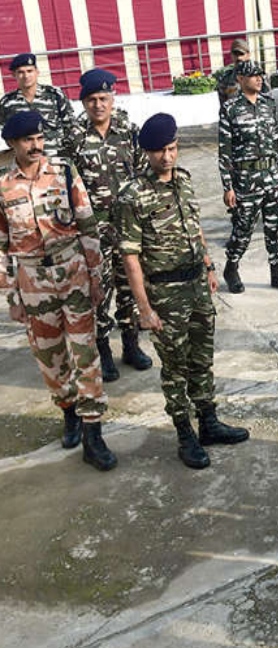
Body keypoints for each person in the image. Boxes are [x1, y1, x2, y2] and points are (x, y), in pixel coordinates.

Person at [115, 113, 250, 470]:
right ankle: (184, 432)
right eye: (160, 151)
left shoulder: (184, 181)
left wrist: (208, 266)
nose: (168, 156)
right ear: (146, 152)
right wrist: (144, 309)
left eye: (172, 148)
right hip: (164, 292)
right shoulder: (132, 195)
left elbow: (196, 228)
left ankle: (208, 421)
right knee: (175, 368)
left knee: (202, 359)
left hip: (196, 287)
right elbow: (130, 257)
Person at [1, 108, 113, 469]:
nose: (36, 145)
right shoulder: (4, 188)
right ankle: (69, 411)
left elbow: (87, 226)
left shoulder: (64, 174)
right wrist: (11, 295)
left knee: (85, 352)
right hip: (33, 282)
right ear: (11, 144)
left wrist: (97, 278)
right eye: (27, 140)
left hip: (73, 273)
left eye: (39, 138)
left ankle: (93, 433)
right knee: (50, 358)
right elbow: (1, 245)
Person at [63, 69, 153, 383]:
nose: (98, 105)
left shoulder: (129, 130)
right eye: (91, 100)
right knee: (99, 293)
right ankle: (103, 351)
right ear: (83, 102)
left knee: (129, 288)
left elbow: (144, 175)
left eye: (103, 98)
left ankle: (131, 345)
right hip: (93, 231)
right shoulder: (73, 137)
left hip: (127, 227)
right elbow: (64, 185)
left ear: (113, 97)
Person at [218, 60, 278, 294]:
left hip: (272, 174)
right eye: (253, 75)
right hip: (246, 178)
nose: (259, 78)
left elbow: (277, 140)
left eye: (260, 75)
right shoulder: (230, 109)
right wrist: (227, 186)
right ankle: (231, 268)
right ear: (240, 80)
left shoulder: (267, 104)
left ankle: (277, 272)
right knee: (243, 229)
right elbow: (225, 151)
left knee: (276, 225)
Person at [0, 54, 74, 157]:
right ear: (14, 75)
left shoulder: (54, 95)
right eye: (21, 72)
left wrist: (65, 152)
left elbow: (70, 125)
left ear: (37, 72)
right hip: (26, 161)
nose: (26, 76)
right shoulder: (8, 102)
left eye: (30, 71)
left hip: (55, 158)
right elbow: (6, 133)